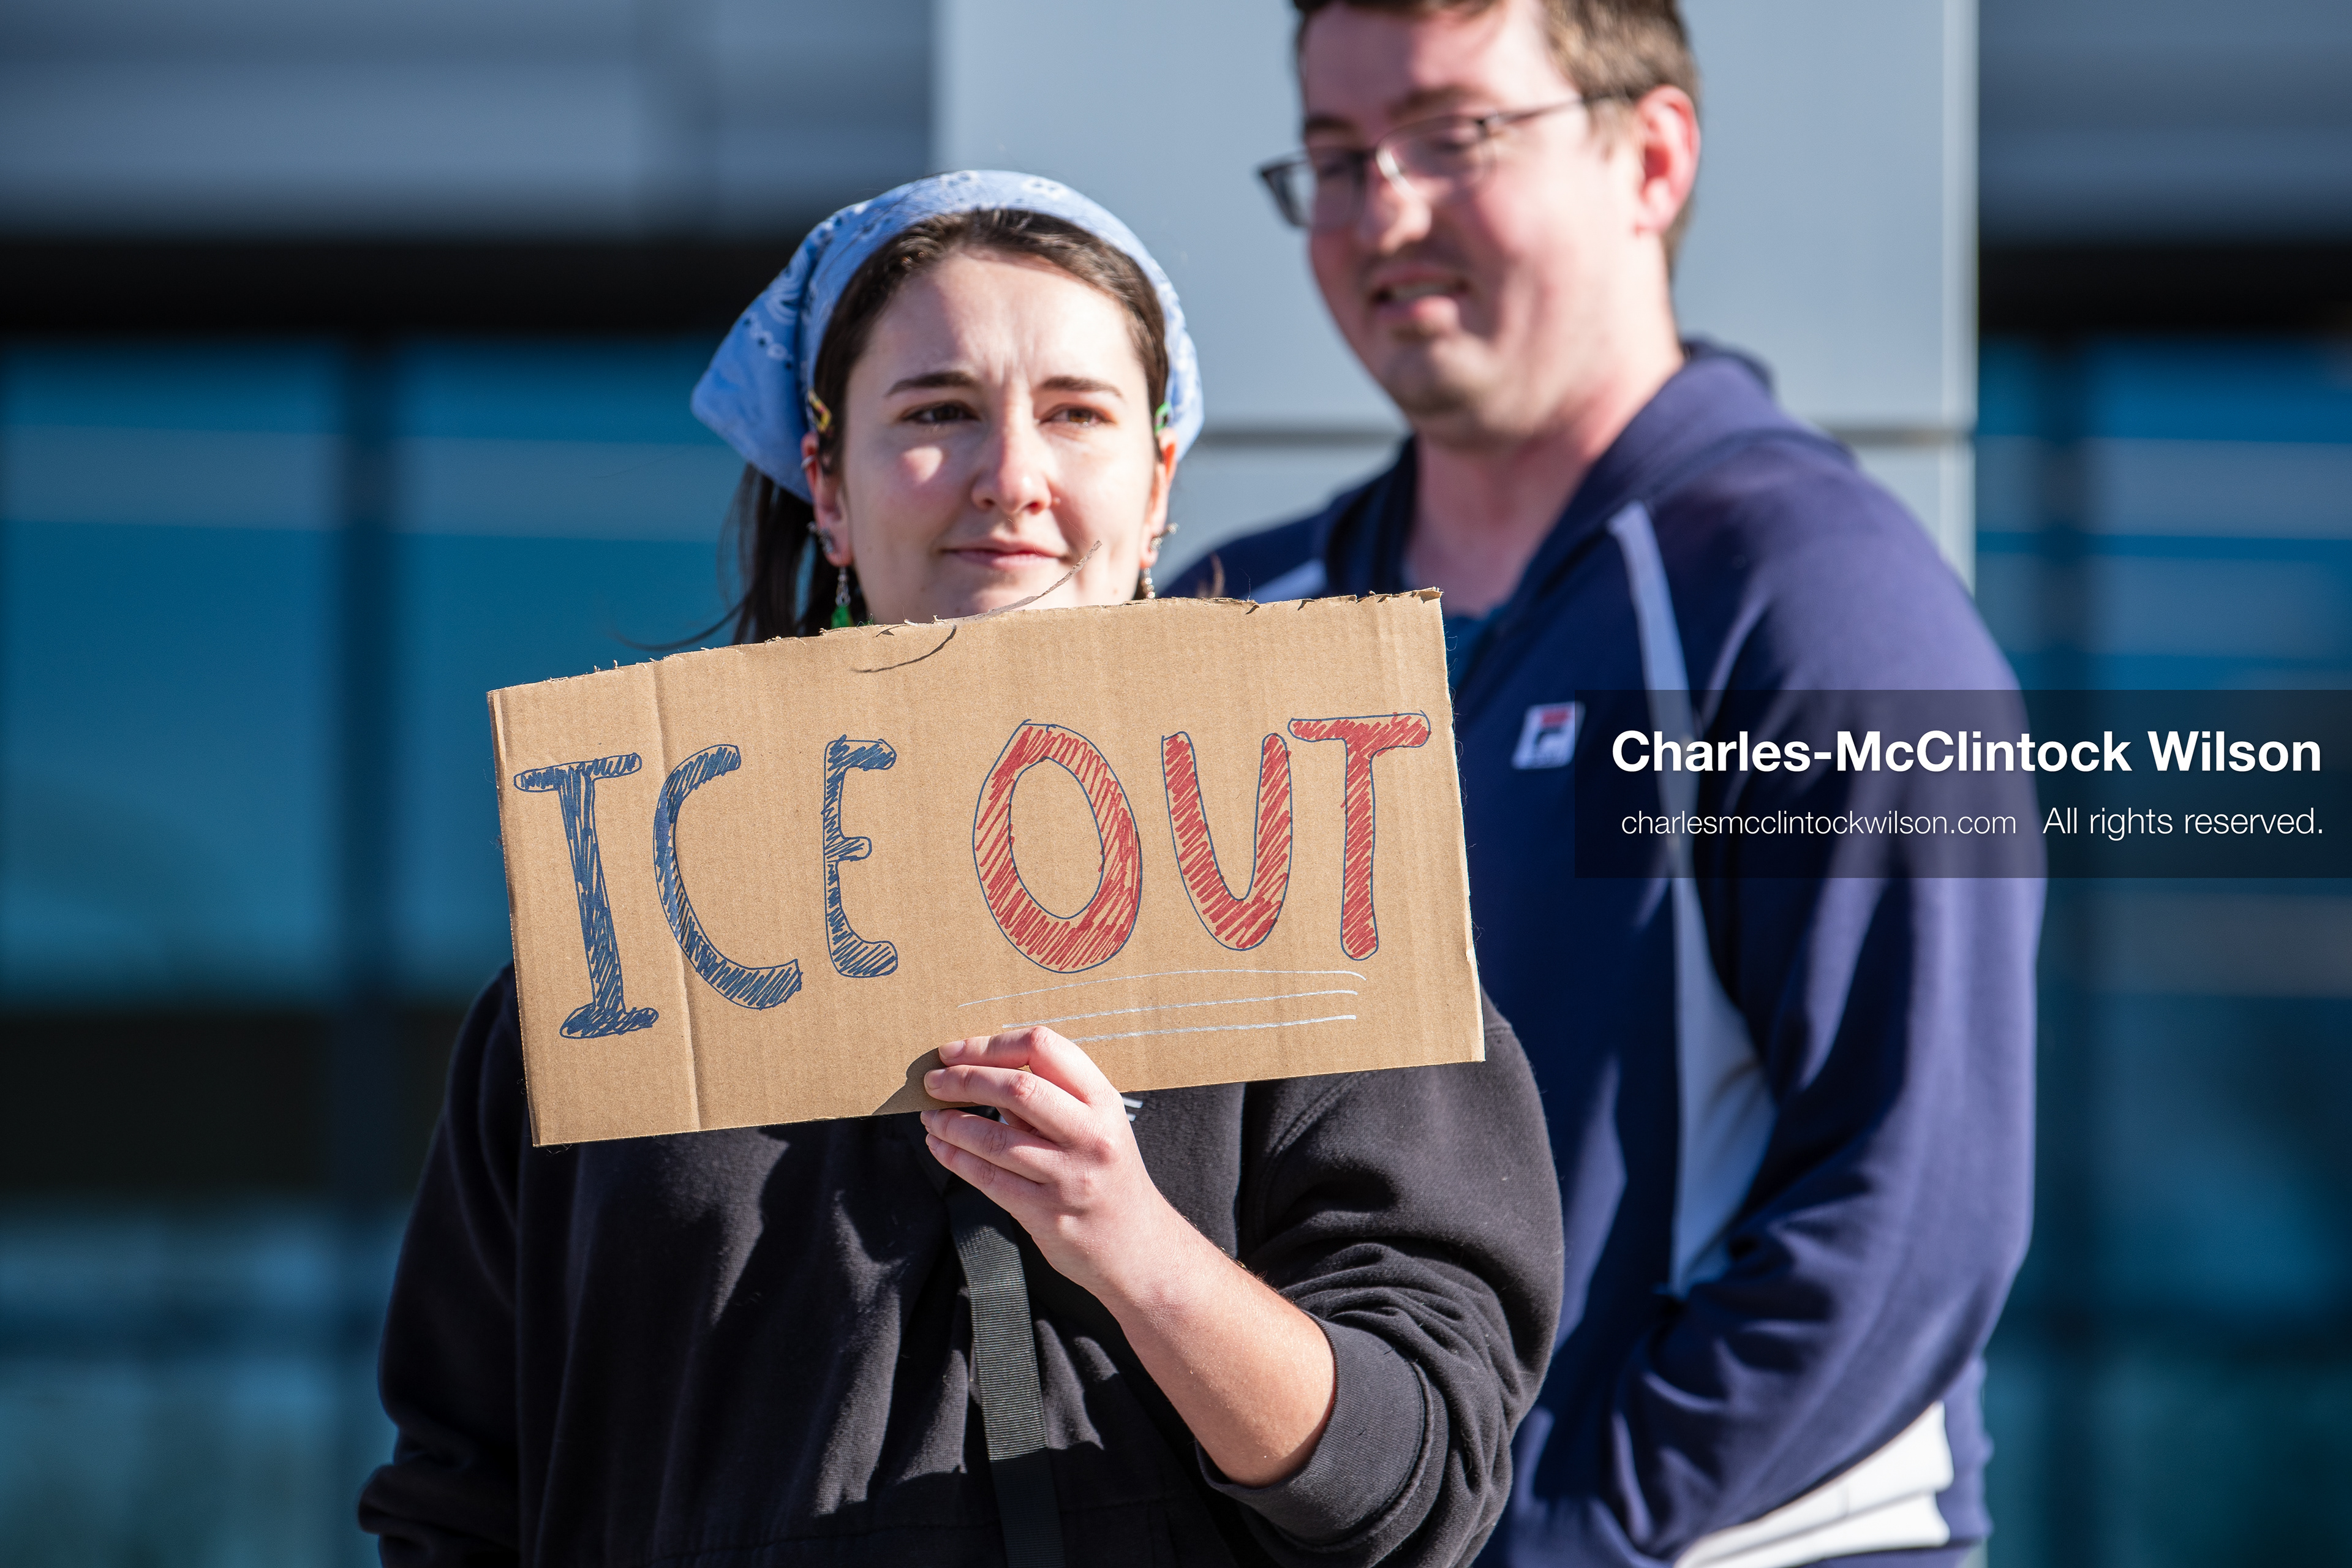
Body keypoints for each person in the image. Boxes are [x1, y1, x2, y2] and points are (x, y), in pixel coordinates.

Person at [358, 170, 1563, 1568]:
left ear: (1159, 480)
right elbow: (459, 1489)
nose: (1012, 476)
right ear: (828, 483)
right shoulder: (621, 943)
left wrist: (1130, 1235)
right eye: (936, 412)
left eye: (1077, 412)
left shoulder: (1325, 892)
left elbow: (1418, 1482)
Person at [1171, 4, 2041, 1565]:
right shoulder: (1240, 616)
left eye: (1454, 136)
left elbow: (1916, 1204)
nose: (1385, 209)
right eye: (1334, 157)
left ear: (1651, 156)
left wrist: (1559, 1531)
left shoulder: (1826, 599)